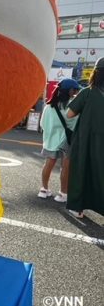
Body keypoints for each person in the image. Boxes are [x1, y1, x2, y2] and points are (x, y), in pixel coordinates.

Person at [66, 57, 104, 218]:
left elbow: (69, 114)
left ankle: (77, 207)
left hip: (85, 141)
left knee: (80, 172)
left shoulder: (87, 93)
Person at [37, 78, 80, 202]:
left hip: (50, 140)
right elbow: (74, 124)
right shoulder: (71, 106)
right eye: (75, 90)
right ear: (70, 91)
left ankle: (44, 190)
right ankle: (62, 194)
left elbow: (42, 124)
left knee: (48, 164)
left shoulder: (48, 106)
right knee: (65, 167)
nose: (76, 92)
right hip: (65, 140)